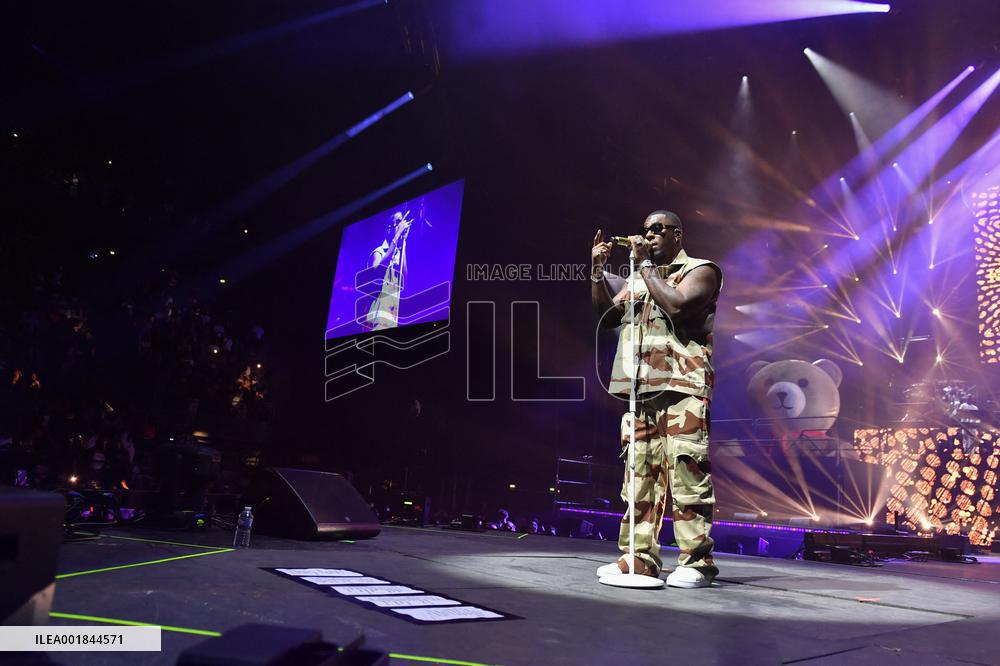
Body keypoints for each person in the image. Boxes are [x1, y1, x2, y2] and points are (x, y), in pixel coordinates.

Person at [590, 210, 722, 589]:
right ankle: (639, 557)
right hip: (640, 391)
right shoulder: (638, 278)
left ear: (677, 234)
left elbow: (678, 306)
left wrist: (645, 265)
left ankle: (696, 562)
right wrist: (597, 273)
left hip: (682, 389)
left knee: (686, 475)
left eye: (657, 230)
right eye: (645, 230)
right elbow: (607, 317)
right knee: (639, 477)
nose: (648, 235)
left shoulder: (701, 270)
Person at [364, 211, 412, 330]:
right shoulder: (378, 252)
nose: (402, 224)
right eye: (399, 221)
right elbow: (379, 272)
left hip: (391, 318)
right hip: (376, 317)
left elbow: (404, 278)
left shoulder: (398, 255)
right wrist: (397, 235)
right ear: (389, 228)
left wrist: (404, 242)